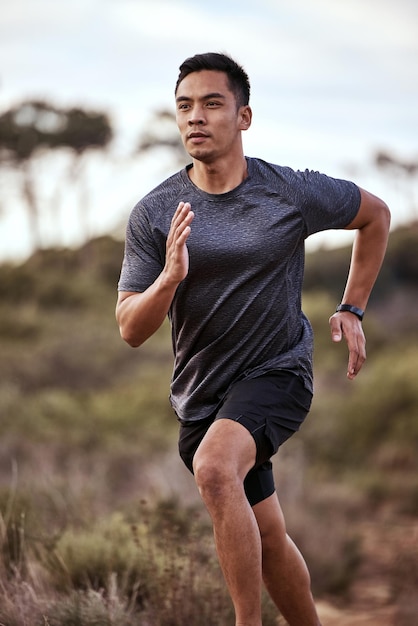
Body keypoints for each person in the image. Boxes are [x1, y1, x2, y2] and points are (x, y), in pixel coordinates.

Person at [116, 52, 390, 626]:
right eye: (185, 105)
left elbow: (377, 215)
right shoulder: (155, 213)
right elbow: (130, 329)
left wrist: (352, 307)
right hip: (202, 395)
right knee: (266, 535)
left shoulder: (288, 192)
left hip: (278, 372)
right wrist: (168, 279)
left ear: (243, 117)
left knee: (216, 470)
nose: (196, 117)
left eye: (212, 103)